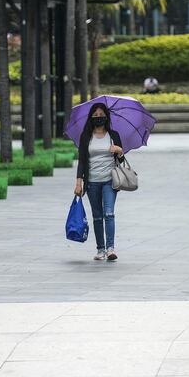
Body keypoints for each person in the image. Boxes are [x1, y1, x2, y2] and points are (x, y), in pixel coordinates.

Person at [74, 103, 125, 262]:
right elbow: (82, 161)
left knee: (108, 213)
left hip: (110, 180)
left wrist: (119, 151)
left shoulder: (114, 135)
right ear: (90, 118)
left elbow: (121, 160)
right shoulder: (85, 136)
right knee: (97, 216)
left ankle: (110, 248)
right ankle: (100, 249)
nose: (98, 117)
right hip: (92, 182)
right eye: (95, 115)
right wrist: (78, 182)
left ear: (106, 117)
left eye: (101, 114)